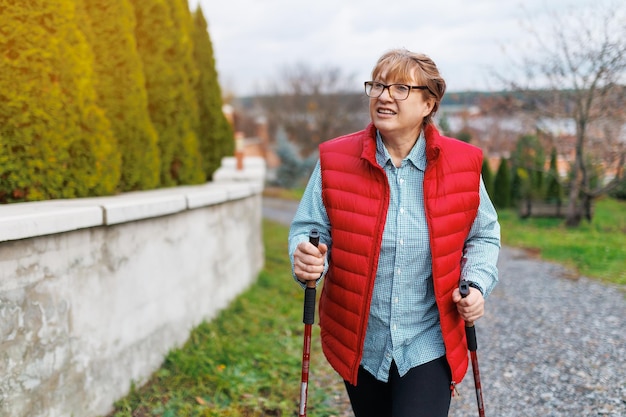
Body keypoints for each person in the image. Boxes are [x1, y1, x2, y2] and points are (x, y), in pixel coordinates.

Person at [288, 48, 500, 417]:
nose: (384, 96)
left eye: (400, 88)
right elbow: (311, 229)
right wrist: (306, 256)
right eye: (378, 85)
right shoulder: (335, 161)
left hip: (428, 342)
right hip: (359, 341)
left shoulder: (462, 165)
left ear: (428, 104)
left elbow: (482, 235)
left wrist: (476, 284)